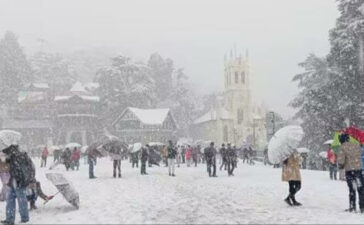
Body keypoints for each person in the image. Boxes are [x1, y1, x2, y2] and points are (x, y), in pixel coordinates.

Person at [1, 145, 35, 225]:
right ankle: (11, 219)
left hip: (19, 181)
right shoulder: (16, 156)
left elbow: (28, 168)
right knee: (11, 200)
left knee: (20, 201)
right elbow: (31, 168)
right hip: (14, 181)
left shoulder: (17, 156)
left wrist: (30, 180)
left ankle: (23, 219)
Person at [337, 133, 364, 213]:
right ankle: (362, 207)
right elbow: (361, 154)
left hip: (350, 171)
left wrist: (341, 166)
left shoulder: (342, 147)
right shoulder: (357, 145)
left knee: (352, 189)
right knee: (361, 189)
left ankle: (352, 207)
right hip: (359, 170)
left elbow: (341, 161)